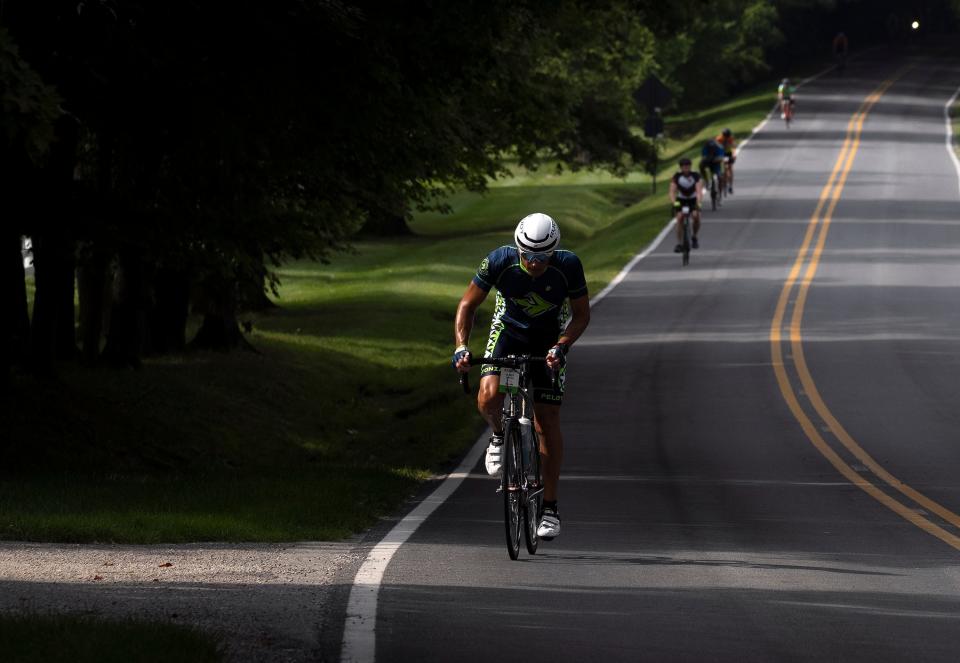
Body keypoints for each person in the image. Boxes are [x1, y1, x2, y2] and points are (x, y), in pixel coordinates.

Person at [452, 212, 590, 540]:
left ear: (553, 252)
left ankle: (550, 507)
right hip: (508, 332)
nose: (534, 263)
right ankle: (499, 434)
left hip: (549, 341)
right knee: (487, 396)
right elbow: (467, 305)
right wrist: (461, 347)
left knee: (547, 419)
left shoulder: (568, 265)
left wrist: (562, 346)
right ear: (518, 249)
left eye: (542, 257)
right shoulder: (500, 260)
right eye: (527, 255)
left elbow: (582, 315)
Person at [669, 157, 703, 251]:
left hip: (693, 199)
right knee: (680, 218)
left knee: (696, 216)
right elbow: (672, 192)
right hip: (681, 200)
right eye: (684, 167)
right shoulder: (676, 176)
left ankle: (694, 237)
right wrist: (674, 203)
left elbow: (699, 191)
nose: (686, 169)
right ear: (681, 168)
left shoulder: (695, 176)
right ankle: (679, 244)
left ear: (690, 167)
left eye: (688, 167)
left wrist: (698, 203)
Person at [716, 128, 737, 194]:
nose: (727, 138)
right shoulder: (719, 139)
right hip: (721, 154)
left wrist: (734, 155)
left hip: (728, 154)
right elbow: (715, 148)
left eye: (728, 136)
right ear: (723, 135)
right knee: (724, 168)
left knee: (730, 168)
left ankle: (730, 186)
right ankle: (722, 178)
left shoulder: (730, 138)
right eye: (726, 136)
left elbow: (733, 147)